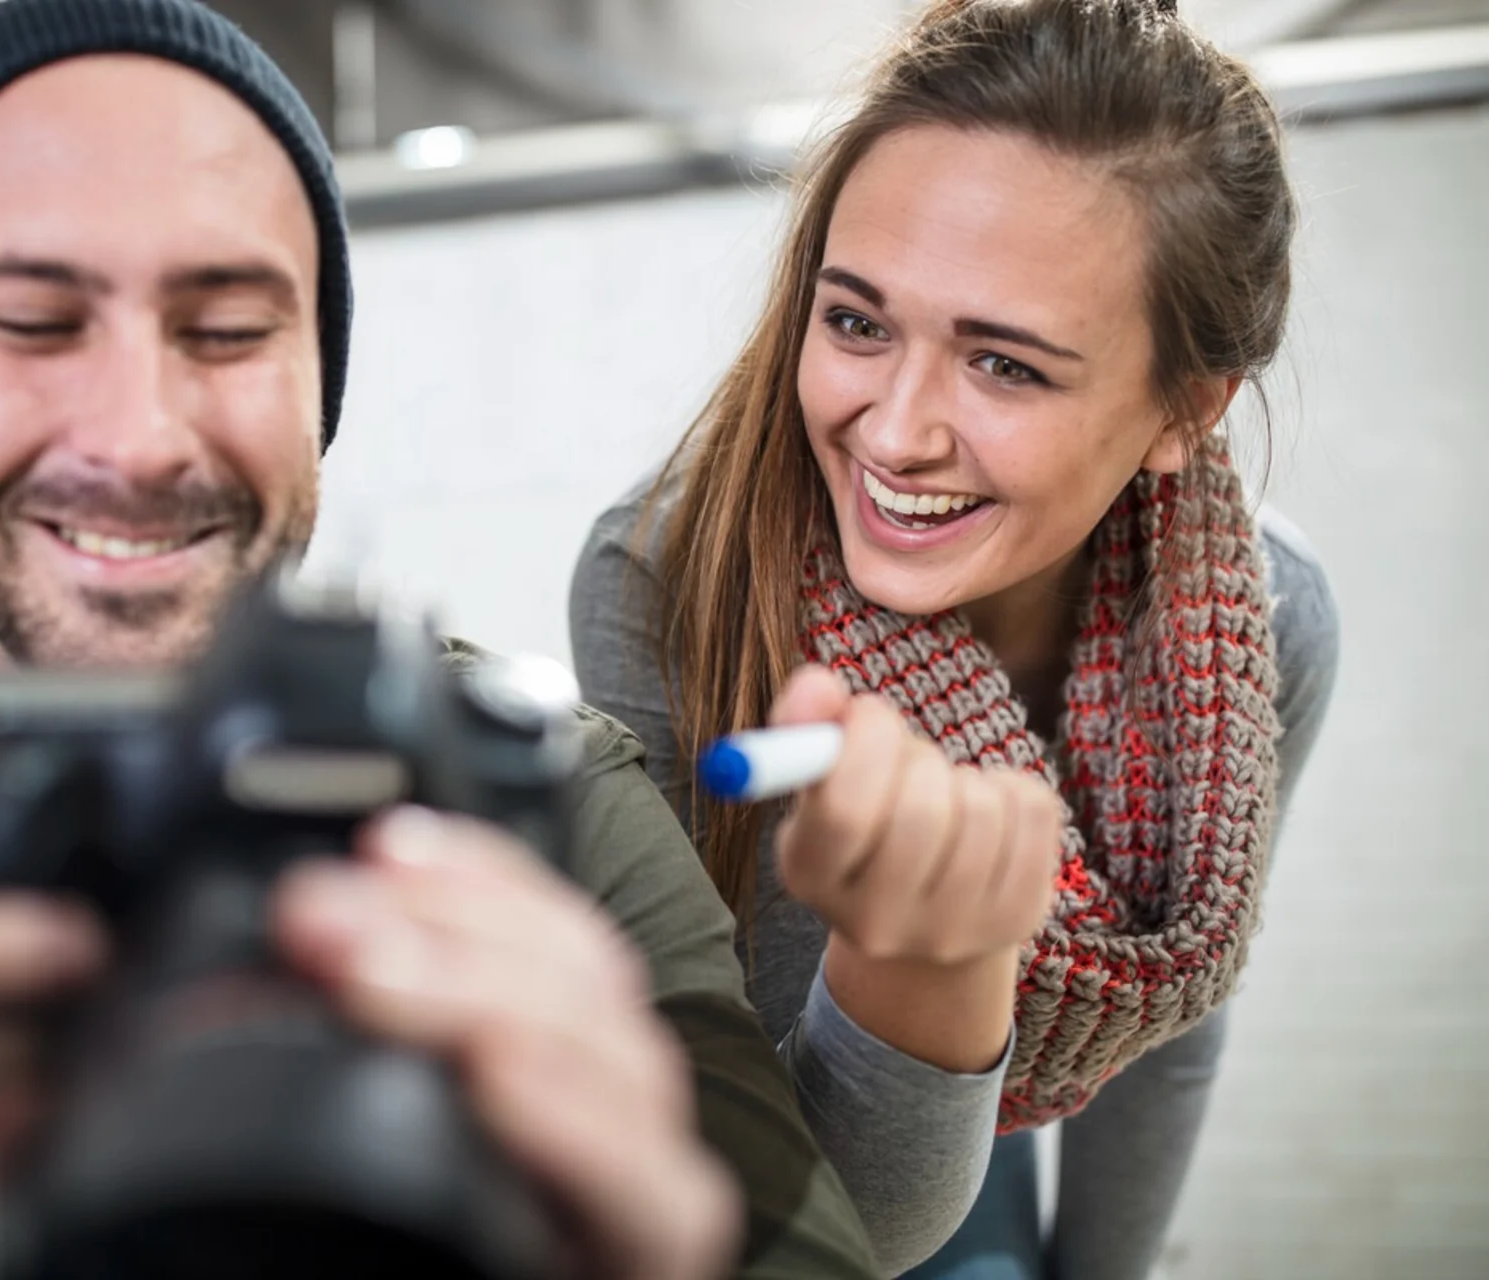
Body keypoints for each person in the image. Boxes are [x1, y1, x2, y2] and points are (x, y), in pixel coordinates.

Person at [0, 1, 878, 1276]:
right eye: (30, 322)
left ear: (316, 388)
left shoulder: (549, 795)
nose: (138, 437)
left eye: (227, 329)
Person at [568, 1, 1340, 1277]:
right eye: (859, 323)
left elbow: (1173, 1022)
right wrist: (924, 960)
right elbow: (780, 1199)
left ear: (1186, 408)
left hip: (1014, 1097)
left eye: (1007, 366)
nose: (895, 432)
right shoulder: (665, 577)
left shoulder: (1272, 617)